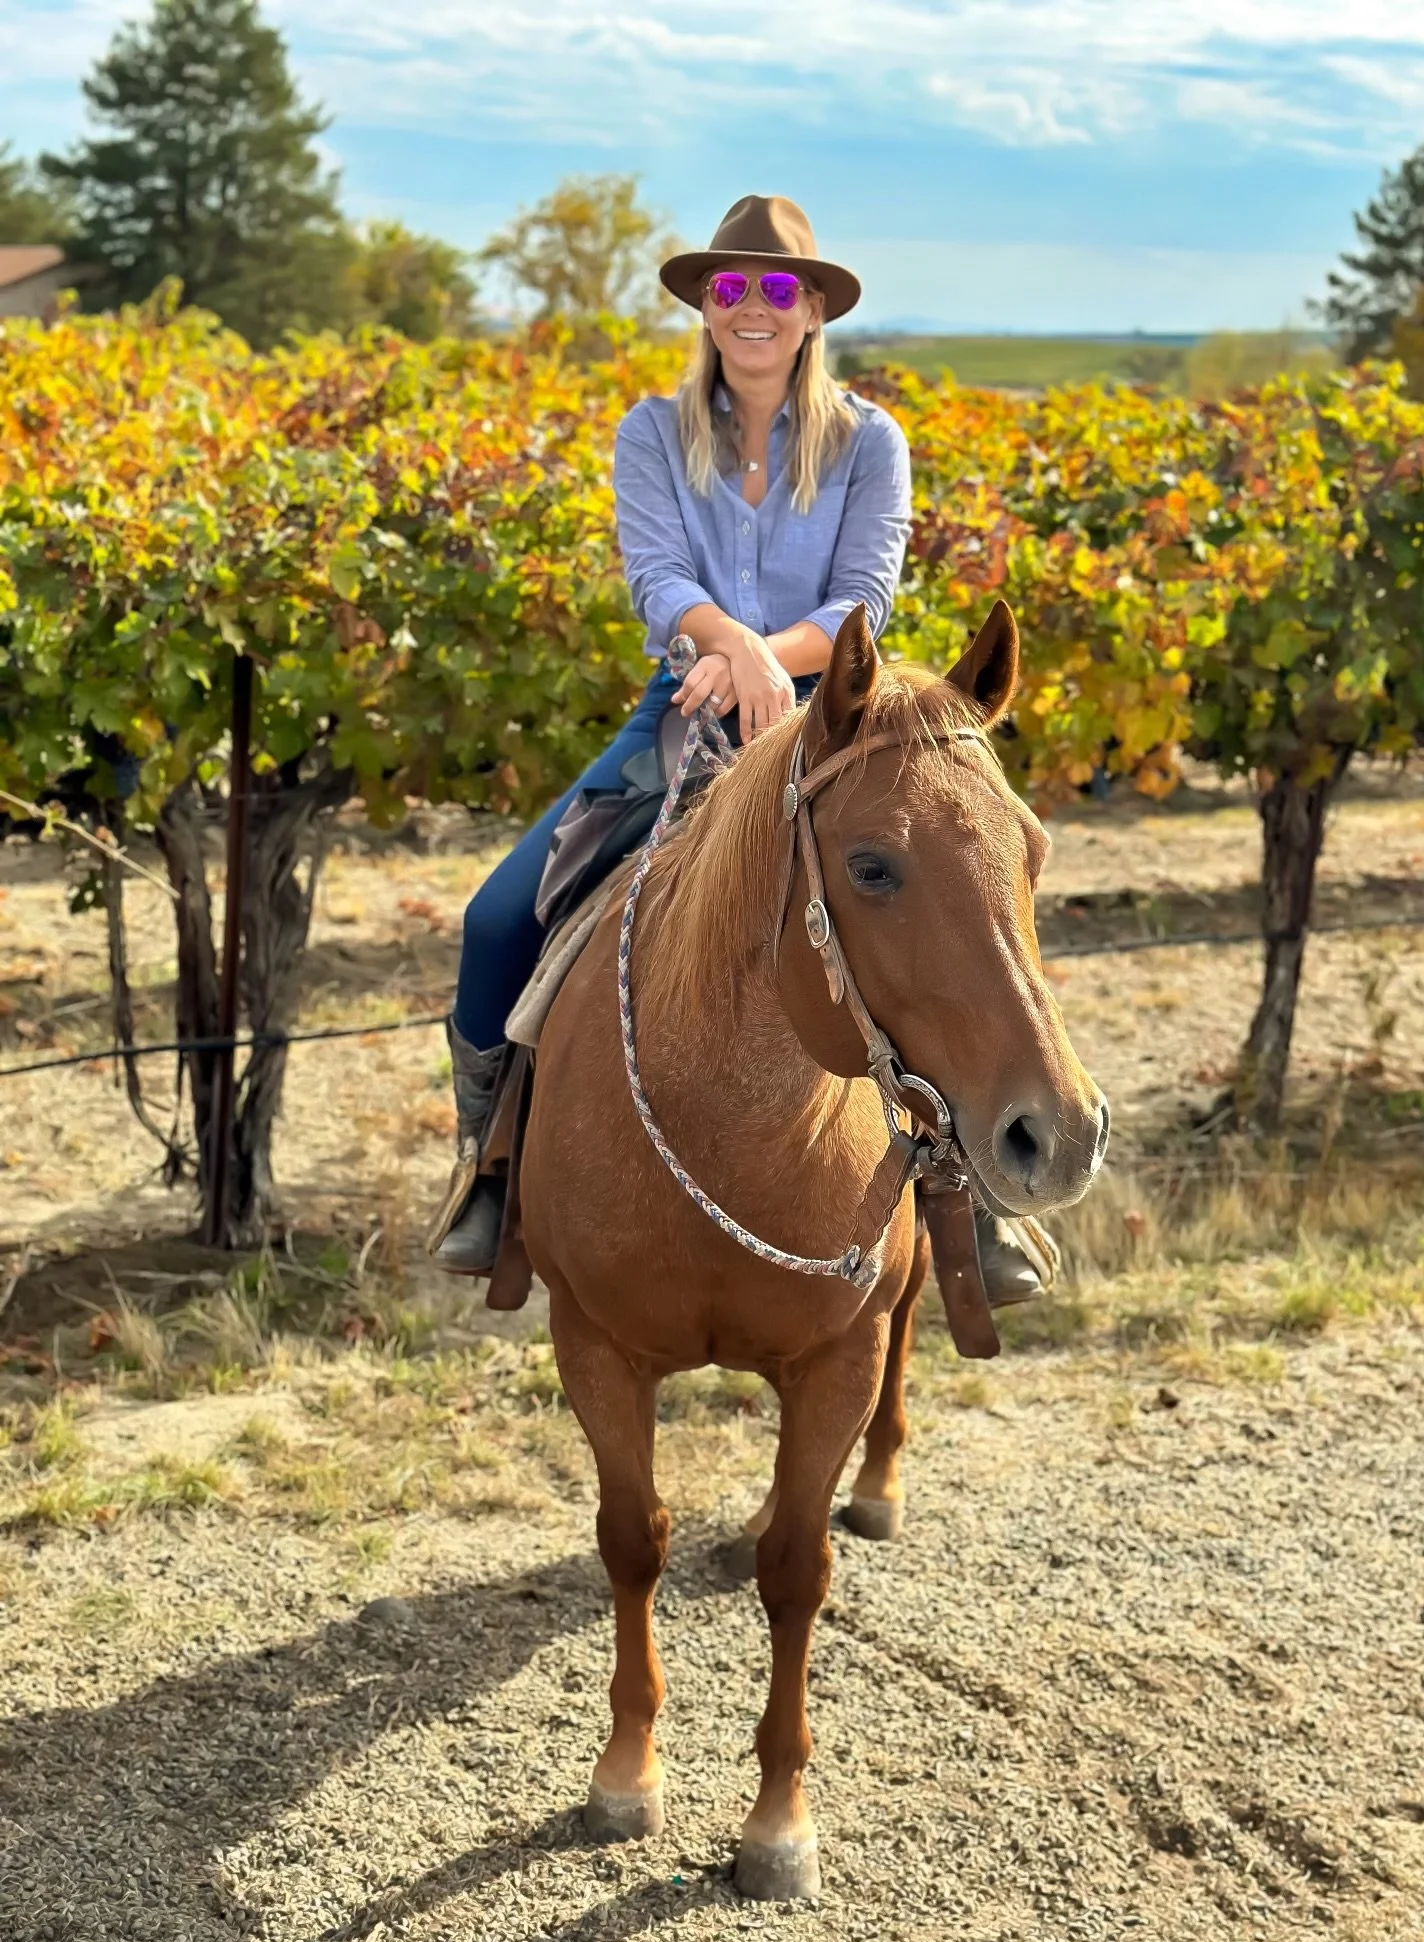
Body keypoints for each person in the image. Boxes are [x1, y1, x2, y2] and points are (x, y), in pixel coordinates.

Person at [430, 193, 1055, 1307]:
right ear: (705, 309)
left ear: (813, 311)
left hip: (845, 726)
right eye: (729, 289)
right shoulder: (649, 432)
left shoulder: (870, 443)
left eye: (776, 290)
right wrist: (723, 648)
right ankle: (491, 1168)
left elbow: (864, 594)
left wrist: (769, 659)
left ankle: (974, 1198)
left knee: (949, 912)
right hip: (683, 711)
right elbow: (656, 579)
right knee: (493, 922)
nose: (751, 309)